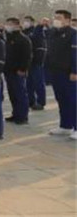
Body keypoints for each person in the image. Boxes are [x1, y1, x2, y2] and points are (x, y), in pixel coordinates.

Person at [45, 10, 77, 140]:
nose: (56, 20)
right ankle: (65, 126)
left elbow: (75, 54)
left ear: (67, 20)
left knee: (72, 100)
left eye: (59, 18)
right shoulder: (53, 33)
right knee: (61, 99)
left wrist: (75, 71)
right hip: (55, 71)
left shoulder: (73, 34)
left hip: (69, 73)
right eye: (55, 17)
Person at [4, 18, 32, 125]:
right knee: (13, 94)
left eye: (10, 24)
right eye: (7, 24)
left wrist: (23, 69)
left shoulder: (23, 39)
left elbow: (27, 56)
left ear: (16, 25)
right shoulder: (9, 38)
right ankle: (15, 114)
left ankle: (23, 116)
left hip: (18, 71)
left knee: (20, 94)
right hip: (9, 70)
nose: (7, 26)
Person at [23, 16, 47, 110]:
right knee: (29, 83)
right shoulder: (24, 32)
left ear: (32, 22)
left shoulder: (36, 31)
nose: (25, 23)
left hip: (36, 61)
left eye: (28, 21)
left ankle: (41, 102)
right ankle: (31, 101)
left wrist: (40, 25)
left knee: (38, 82)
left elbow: (40, 46)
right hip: (28, 62)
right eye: (25, 21)